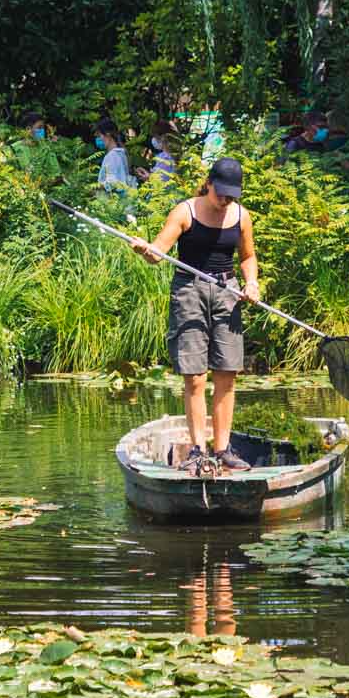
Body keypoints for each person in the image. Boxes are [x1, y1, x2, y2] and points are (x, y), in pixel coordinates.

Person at [131, 157, 260, 472]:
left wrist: (252, 283)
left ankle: (223, 449)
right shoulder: (185, 212)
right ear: (209, 183)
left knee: (227, 374)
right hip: (189, 291)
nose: (225, 201)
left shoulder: (241, 216)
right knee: (196, 376)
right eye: (221, 194)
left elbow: (248, 256)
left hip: (227, 291)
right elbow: (158, 254)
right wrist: (146, 251)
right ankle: (197, 451)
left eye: (231, 196)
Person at [96, 123, 137, 190]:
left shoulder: (112, 156)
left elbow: (112, 183)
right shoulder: (121, 153)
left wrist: (95, 188)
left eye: (99, 136)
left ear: (108, 134)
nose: (98, 139)